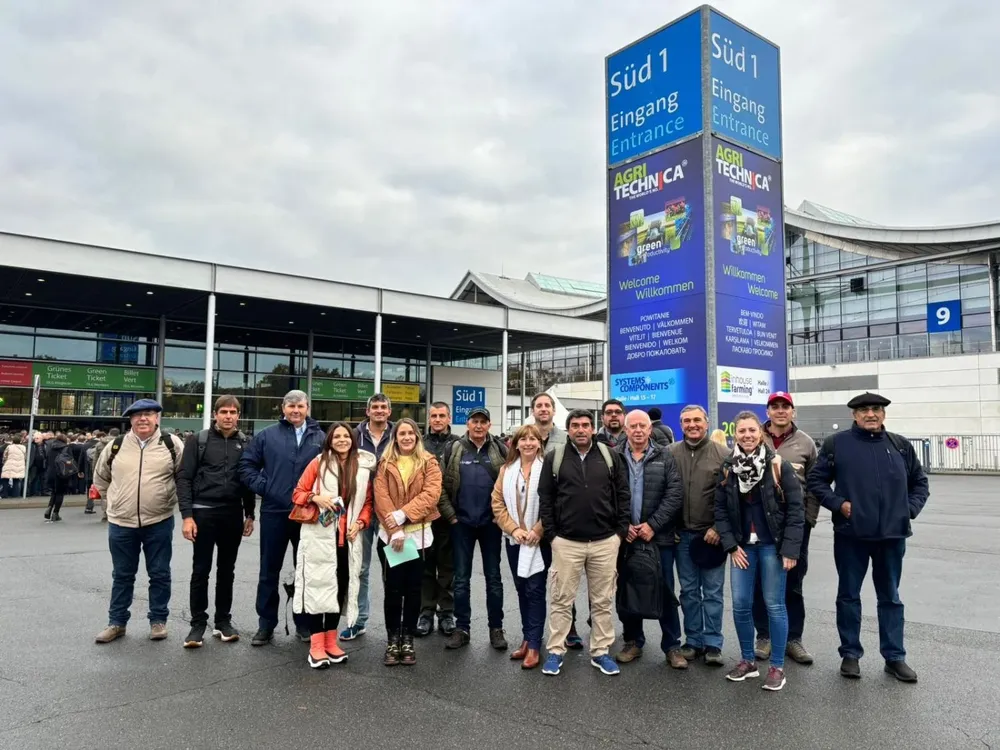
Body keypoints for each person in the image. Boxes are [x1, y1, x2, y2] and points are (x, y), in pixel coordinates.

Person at [808, 392, 929, 683]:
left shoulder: (899, 446)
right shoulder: (838, 444)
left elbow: (920, 482)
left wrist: (908, 510)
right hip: (852, 535)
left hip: (892, 535)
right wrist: (840, 505)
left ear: (883, 414)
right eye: (863, 410)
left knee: (891, 597)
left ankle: (894, 657)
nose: (870, 414)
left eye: (875, 409)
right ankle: (850, 654)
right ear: (854, 415)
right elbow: (816, 480)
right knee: (849, 596)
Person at [715, 410, 804, 692]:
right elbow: (720, 510)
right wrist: (730, 545)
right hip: (742, 547)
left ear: (760, 433)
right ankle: (748, 661)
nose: (747, 435)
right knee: (741, 604)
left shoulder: (777, 464)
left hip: (771, 546)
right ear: (735, 434)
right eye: (742, 431)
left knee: (774, 604)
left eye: (752, 430)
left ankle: (777, 666)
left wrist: (790, 549)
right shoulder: (729, 467)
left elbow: (795, 510)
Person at [539, 409, 630, 677]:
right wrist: (552, 536)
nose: (580, 429)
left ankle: (601, 651)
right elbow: (545, 498)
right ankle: (556, 650)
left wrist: (619, 533)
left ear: (593, 428)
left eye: (585, 425)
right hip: (566, 542)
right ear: (568, 430)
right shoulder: (554, 458)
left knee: (602, 601)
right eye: (575, 425)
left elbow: (623, 495)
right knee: (561, 600)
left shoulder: (609, 456)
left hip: (604, 542)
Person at [93, 399, 185, 643]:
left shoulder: (171, 444)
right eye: (137, 415)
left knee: (159, 573)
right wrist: (112, 502)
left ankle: (158, 621)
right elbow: (101, 478)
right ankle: (116, 622)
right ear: (130, 420)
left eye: (148, 414)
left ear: (157, 418)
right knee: (122, 575)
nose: (143, 419)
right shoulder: (116, 445)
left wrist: (169, 500)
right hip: (121, 523)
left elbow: (183, 477)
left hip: (159, 520)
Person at [238, 389, 325, 646]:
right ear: (282, 408)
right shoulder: (267, 436)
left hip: (307, 515)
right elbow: (246, 466)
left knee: (306, 571)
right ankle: (266, 624)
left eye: (300, 406)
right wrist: (266, 487)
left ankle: (304, 623)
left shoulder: (320, 437)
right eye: (291, 406)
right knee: (269, 571)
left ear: (307, 407)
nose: (295, 411)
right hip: (275, 511)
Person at [291, 422, 376, 669]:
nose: (341, 440)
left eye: (346, 436)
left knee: (338, 590)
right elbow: (297, 493)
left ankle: (330, 640)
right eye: (336, 436)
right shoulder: (318, 463)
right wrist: (315, 497)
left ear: (352, 439)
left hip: (347, 540)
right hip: (320, 536)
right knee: (318, 588)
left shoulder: (361, 467)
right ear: (330, 440)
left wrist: (361, 522)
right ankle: (316, 646)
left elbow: (367, 502)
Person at [177, 396, 256, 648]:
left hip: (232, 514)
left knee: (226, 571)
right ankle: (197, 624)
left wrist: (250, 514)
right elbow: (184, 478)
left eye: (233, 412)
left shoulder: (244, 443)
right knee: (200, 571)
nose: (228, 416)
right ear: (215, 414)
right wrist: (187, 516)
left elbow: (248, 481)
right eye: (224, 411)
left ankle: (223, 621)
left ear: (239, 416)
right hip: (202, 513)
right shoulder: (197, 441)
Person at [613, 410, 687, 669]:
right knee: (628, 589)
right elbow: (607, 495)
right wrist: (624, 526)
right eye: (632, 426)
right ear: (625, 429)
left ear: (650, 428)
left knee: (665, 590)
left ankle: (672, 645)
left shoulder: (665, 456)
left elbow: (675, 493)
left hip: (659, 538)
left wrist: (653, 525)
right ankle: (633, 640)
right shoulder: (614, 457)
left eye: (642, 426)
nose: (638, 430)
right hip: (626, 539)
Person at [754, 392, 818, 665]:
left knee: (793, 582)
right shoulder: (755, 436)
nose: (780, 411)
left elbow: (815, 485)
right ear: (768, 411)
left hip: (795, 524)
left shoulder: (806, 443)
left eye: (785, 407)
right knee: (760, 581)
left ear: (793, 411)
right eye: (775, 406)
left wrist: (809, 519)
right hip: (761, 524)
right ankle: (764, 636)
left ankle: (794, 639)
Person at [373, 418, 442, 666]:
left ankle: (408, 639)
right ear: (395, 437)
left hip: (418, 536)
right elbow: (380, 496)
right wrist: (394, 529)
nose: (406, 437)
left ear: (417, 436)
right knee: (393, 590)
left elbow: (431, 494)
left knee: (413, 591)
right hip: (391, 537)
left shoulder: (429, 462)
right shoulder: (385, 463)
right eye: (402, 433)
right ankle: (393, 639)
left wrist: (403, 516)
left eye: (410, 433)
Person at [439, 407, 508, 650]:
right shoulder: (454, 449)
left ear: (489, 425)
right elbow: (440, 487)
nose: (478, 426)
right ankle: (462, 628)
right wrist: (452, 517)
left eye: (483, 422)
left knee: (494, 579)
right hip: (462, 525)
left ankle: (496, 629)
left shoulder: (500, 450)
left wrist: (501, 517)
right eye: (474, 421)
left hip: (491, 525)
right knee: (461, 580)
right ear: (467, 423)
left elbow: (509, 484)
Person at [669, 405, 730, 666]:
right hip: (682, 536)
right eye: (686, 421)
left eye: (697, 420)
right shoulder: (670, 453)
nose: (692, 425)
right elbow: (665, 492)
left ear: (706, 423)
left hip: (712, 536)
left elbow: (731, 498)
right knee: (689, 592)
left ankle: (713, 643)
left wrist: (718, 527)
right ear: (681, 425)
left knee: (713, 593)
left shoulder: (724, 454)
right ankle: (693, 640)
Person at [491, 423, 547, 669]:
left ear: (539, 443)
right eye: (523, 439)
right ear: (515, 443)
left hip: (538, 541)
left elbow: (554, 503)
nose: (528, 443)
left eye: (532, 439)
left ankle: (534, 644)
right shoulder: (507, 470)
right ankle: (527, 637)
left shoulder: (547, 470)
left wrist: (537, 530)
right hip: (515, 539)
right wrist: (513, 529)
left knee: (535, 590)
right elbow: (497, 502)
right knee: (521, 588)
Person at [341, 392, 395, 641]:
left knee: (394, 569)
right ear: (367, 411)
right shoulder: (352, 436)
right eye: (375, 407)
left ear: (389, 411)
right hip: (359, 510)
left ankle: (396, 625)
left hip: (391, 512)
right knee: (358, 568)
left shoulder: (399, 435)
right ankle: (357, 620)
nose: (379, 411)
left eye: (383, 407)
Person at [417, 401, 460, 637]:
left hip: (447, 515)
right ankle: (425, 613)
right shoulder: (420, 444)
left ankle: (446, 613)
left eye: (442, 415)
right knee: (425, 567)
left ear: (449, 417)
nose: (437, 419)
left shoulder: (457, 444)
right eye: (433, 415)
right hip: (422, 517)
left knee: (446, 568)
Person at [43, 432, 72, 522]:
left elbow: (47, 460)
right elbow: (70, 461)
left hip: (51, 473)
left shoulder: (50, 447)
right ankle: (56, 513)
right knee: (60, 493)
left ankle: (49, 508)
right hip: (61, 473)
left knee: (53, 493)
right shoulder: (66, 448)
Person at [1, 435, 26, 499]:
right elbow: (25, 456)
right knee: (16, 480)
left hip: (9, 464)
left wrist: (4, 462)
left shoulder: (9, 447)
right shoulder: (23, 447)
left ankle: (4, 494)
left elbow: (5, 456)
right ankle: (15, 495)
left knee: (5, 479)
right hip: (19, 465)